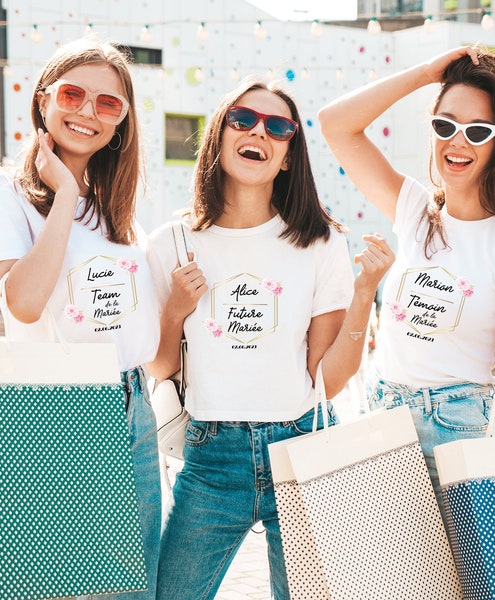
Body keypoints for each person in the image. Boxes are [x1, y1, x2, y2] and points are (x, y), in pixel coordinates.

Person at [146, 77, 393, 599]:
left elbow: (328, 376)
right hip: (211, 458)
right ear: (220, 134)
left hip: (300, 446)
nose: (259, 130)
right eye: (243, 118)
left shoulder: (320, 242)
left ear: (286, 156)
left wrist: (365, 292)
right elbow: (158, 367)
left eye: (278, 127)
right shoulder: (171, 242)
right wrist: (174, 312)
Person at [318, 46, 495, 510]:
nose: (458, 143)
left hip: (456, 431)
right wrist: (424, 74)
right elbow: (335, 124)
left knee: (463, 584)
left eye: (477, 131)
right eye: (445, 126)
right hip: (382, 420)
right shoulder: (414, 209)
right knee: (386, 579)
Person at [0, 38, 161, 599]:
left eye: (108, 104)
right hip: (59, 404)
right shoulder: (9, 192)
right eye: (73, 94)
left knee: (132, 590)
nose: (88, 112)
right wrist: (63, 193)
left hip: (133, 404)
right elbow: (20, 303)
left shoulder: (113, 207)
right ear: (43, 101)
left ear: (122, 123)